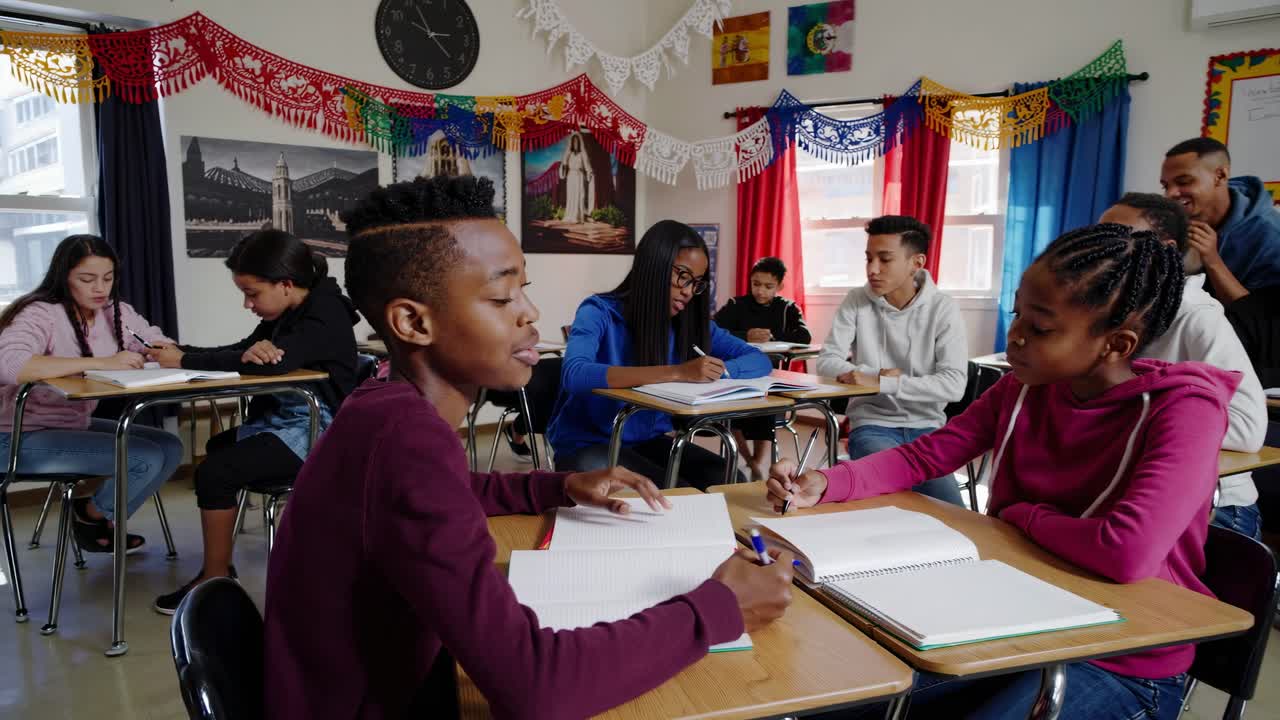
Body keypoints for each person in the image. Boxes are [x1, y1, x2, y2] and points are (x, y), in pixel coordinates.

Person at [263, 175, 795, 719]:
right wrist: (719, 609)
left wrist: (557, 484)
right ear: (412, 322)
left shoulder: (381, 404)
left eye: (525, 289)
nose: (531, 314)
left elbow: (451, 491)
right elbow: (535, 688)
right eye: (501, 296)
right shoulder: (407, 440)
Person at [770, 224, 1238, 720]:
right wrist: (828, 482)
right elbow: (924, 455)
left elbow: (1125, 552)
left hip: (1119, 659)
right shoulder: (1025, 387)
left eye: (1040, 329)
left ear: (1116, 345)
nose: (1013, 337)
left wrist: (1024, 516)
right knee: (839, 700)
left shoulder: (1186, 410)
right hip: (1015, 621)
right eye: (1018, 315)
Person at [148, 229, 359, 613]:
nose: (248, 304)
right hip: (290, 418)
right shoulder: (289, 311)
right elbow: (244, 352)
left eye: (252, 293)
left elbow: (267, 364)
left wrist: (184, 362)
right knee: (218, 449)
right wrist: (182, 351)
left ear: (286, 284)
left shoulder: (325, 315)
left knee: (216, 472)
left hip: (324, 428)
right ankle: (220, 564)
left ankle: (214, 577)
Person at [547, 220, 773, 490]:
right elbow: (575, 374)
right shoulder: (599, 311)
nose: (688, 291)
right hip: (585, 442)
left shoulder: (689, 325)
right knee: (672, 494)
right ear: (654, 266)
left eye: (697, 283)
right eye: (683, 276)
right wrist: (680, 372)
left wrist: (720, 371)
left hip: (647, 441)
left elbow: (758, 359)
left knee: (731, 481)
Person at [0, 235, 182, 554]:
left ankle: (92, 515)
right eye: (87, 279)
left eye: (108, 278)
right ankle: (93, 518)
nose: (100, 288)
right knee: (145, 457)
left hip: (69, 425)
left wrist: (161, 349)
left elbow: (153, 338)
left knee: (169, 446)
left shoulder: (116, 312)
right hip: (13, 436)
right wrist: (102, 362)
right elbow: (12, 365)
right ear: (63, 277)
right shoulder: (40, 313)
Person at [1101, 193, 1267, 539]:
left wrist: (1130, 412)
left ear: (1166, 248)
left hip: (1216, 510)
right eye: (1099, 235)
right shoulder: (1113, 313)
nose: (1102, 247)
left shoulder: (1196, 317)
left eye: (1119, 236)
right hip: (1141, 494)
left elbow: (1250, 429)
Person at [815, 215, 968, 506]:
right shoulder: (856, 300)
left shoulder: (943, 308)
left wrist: (885, 383)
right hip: (872, 424)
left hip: (928, 428)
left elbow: (954, 385)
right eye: (869, 258)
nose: (872, 270)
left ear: (916, 263)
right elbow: (827, 361)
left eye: (884, 259)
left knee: (953, 512)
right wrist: (873, 375)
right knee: (897, 502)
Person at [714, 256, 812, 480]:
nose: (760, 291)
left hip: (771, 381)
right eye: (756, 284)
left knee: (766, 412)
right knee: (732, 415)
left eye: (768, 286)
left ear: (779, 286)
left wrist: (773, 336)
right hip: (737, 378)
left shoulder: (787, 308)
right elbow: (713, 331)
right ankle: (751, 462)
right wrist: (744, 336)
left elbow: (804, 336)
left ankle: (757, 462)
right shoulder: (736, 305)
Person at [1159, 137, 1280, 303]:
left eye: (1183, 182)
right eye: (1166, 186)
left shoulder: (1271, 236)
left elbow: (1261, 321)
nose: (1170, 194)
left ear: (1220, 176)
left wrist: (1213, 261)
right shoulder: (1174, 219)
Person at [559, 132, 594, 224]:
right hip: (571, 176)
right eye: (573, 142)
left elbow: (587, 167)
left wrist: (589, 173)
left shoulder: (582, 154)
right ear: (571, 143)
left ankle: (578, 216)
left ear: (579, 143)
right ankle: (570, 215)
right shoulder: (569, 154)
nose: (575, 144)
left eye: (577, 142)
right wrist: (564, 166)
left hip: (579, 176)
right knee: (571, 195)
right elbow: (564, 166)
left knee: (579, 195)